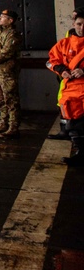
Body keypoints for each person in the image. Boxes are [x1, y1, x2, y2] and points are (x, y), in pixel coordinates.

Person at [48, 12, 84, 165]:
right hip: (69, 89)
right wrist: (62, 70)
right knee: (73, 123)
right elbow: (52, 60)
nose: (82, 28)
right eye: (79, 24)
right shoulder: (64, 43)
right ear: (73, 24)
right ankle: (81, 152)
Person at [0, 9, 23, 138]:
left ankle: (13, 127)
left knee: (10, 99)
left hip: (7, 72)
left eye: (2, 17)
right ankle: (3, 124)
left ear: (10, 20)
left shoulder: (13, 35)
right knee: (0, 99)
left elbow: (7, 51)